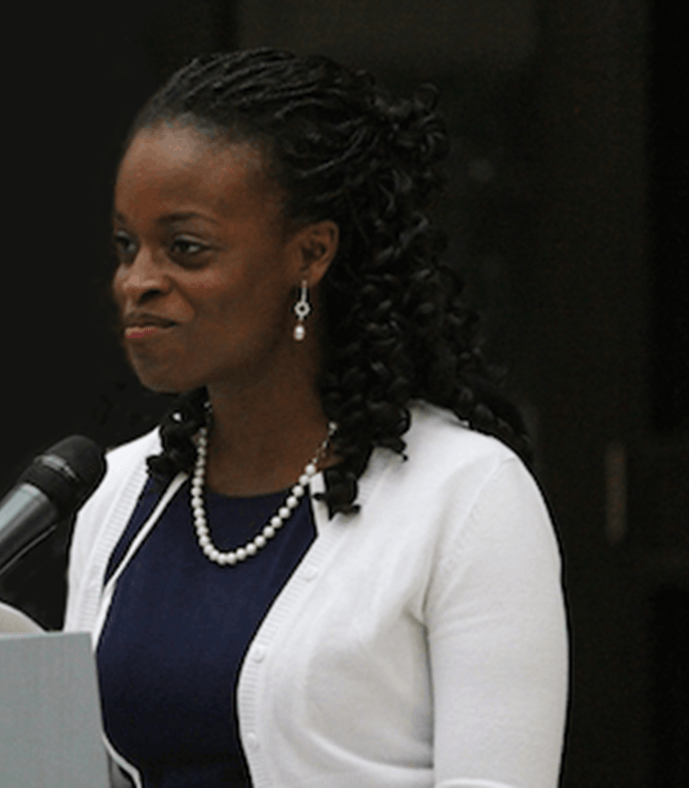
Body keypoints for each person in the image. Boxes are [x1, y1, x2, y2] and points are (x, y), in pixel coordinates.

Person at [64, 48, 568, 788]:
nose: (138, 282)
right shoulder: (116, 495)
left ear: (311, 253)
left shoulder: (467, 499)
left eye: (186, 249)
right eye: (127, 246)